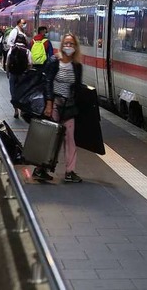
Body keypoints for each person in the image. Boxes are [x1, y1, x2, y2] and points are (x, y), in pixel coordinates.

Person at [32, 33, 83, 183]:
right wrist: (49, 103)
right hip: (54, 104)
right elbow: (47, 82)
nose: (68, 46)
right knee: (51, 138)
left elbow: (77, 86)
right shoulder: (54, 61)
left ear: (75, 47)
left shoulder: (77, 65)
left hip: (69, 106)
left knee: (70, 140)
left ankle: (70, 171)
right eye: (66, 43)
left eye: (71, 44)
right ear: (62, 45)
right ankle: (40, 169)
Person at [6, 33, 32, 119]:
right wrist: (27, 72)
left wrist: (7, 73)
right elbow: (30, 64)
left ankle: (16, 110)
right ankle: (22, 110)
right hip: (23, 75)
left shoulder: (12, 49)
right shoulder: (27, 51)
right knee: (23, 92)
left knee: (13, 92)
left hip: (13, 74)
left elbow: (8, 62)